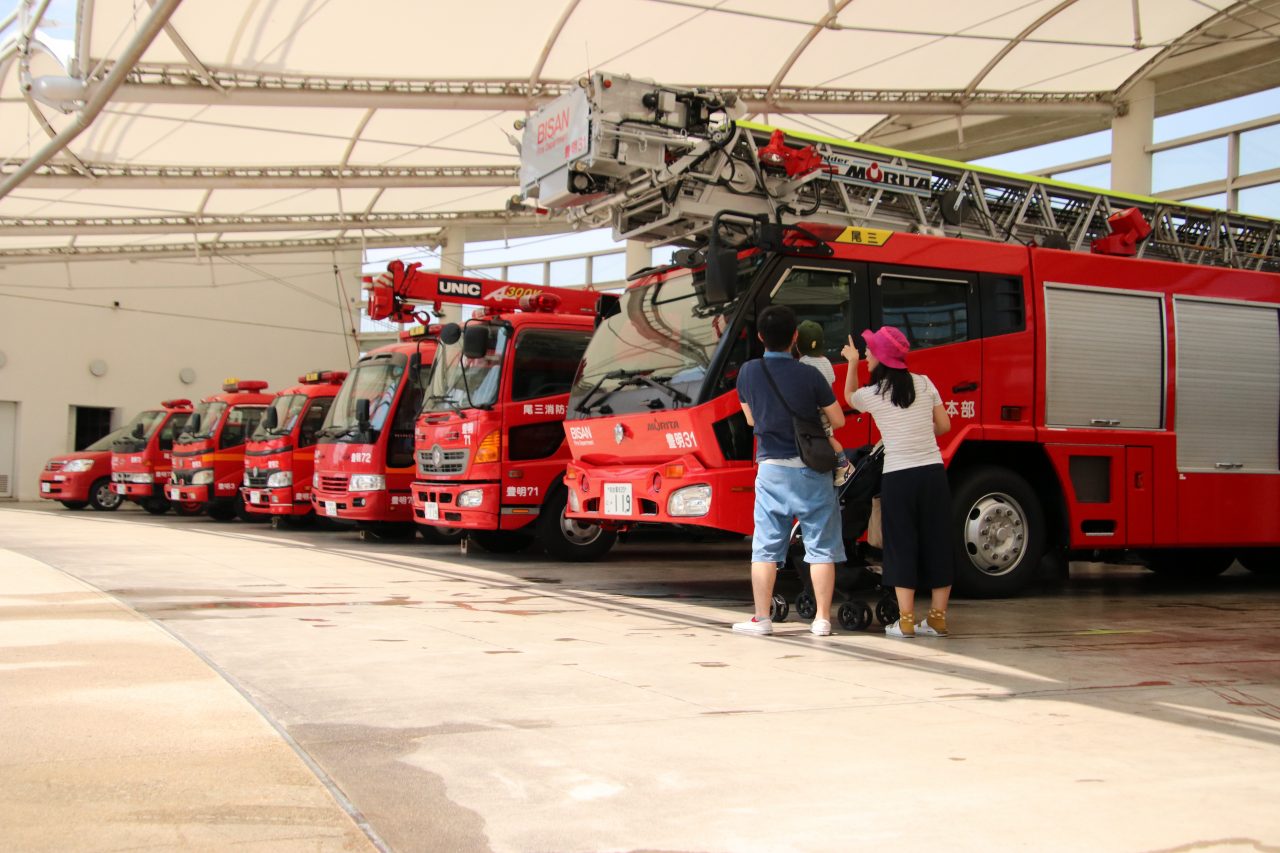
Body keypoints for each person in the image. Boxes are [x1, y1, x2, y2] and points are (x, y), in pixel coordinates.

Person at [733, 305, 847, 637]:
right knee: (820, 546)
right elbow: (838, 419)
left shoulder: (748, 372)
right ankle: (822, 620)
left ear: (760, 338)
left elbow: (752, 420)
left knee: (765, 547)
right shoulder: (810, 375)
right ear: (794, 337)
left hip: (771, 470)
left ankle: (761, 619)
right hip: (811, 469)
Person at [841, 327, 953, 639]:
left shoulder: (874, 394)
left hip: (899, 477)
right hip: (932, 473)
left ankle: (905, 621)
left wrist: (850, 363)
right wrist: (916, 429)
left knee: (901, 543)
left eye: (868, 351)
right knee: (938, 543)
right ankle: (937, 618)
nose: (865, 354)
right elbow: (944, 425)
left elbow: (849, 397)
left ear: (881, 358)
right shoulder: (925, 382)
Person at [794, 320, 855, 487]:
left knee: (825, 438)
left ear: (798, 346)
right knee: (829, 436)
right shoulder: (826, 361)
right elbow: (831, 381)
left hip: (816, 410)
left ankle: (844, 464)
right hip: (827, 406)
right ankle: (840, 464)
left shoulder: (804, 363)